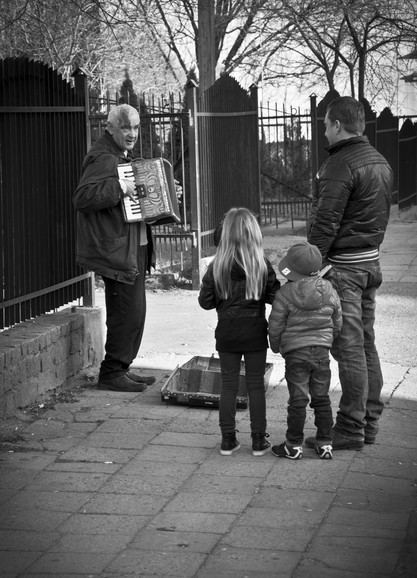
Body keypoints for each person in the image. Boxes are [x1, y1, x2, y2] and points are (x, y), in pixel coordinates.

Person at [306, 96, 394, 450]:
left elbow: (325, 222)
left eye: (326, 125)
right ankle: (369, 421)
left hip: (344, 269)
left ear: (338, 125)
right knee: (366, 344)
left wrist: (310, 263)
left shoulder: (340, 164)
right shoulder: (381, 162)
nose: (324, 132)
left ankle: (350, 427)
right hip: (370, 264)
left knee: (349, 348)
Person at [73, 104, 157, 392]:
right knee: (125, 312)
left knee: (135, 313)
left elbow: (136, 204)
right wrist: (121, 187)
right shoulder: (103, 158)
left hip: (135, 245)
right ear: (110, 128)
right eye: (125, 128)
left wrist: (166, 193)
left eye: (135, 127)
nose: (132, 133)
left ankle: (122, 368)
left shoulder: (123, 157)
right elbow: (83, 198)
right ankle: (111, 373)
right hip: (119, 250)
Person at [198, 207, 280, 456]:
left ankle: (227, 440)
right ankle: (258, 440)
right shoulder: (261, 264)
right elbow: (275, 296)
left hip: (227, 333)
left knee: (229, 386)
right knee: (255, 386)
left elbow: (206, 302)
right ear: (253, 234)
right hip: (254, 331)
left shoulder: (216, 266)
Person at [268, 242, 342, 460]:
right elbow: (337, 319)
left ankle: (293, 445)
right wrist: (329, 339)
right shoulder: (329, 289)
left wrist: (276, 346)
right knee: (321, 398)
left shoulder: (284, 294)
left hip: (295, 353)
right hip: (321, 352)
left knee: (298, 400)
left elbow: (276, 325)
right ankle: (325, 443)